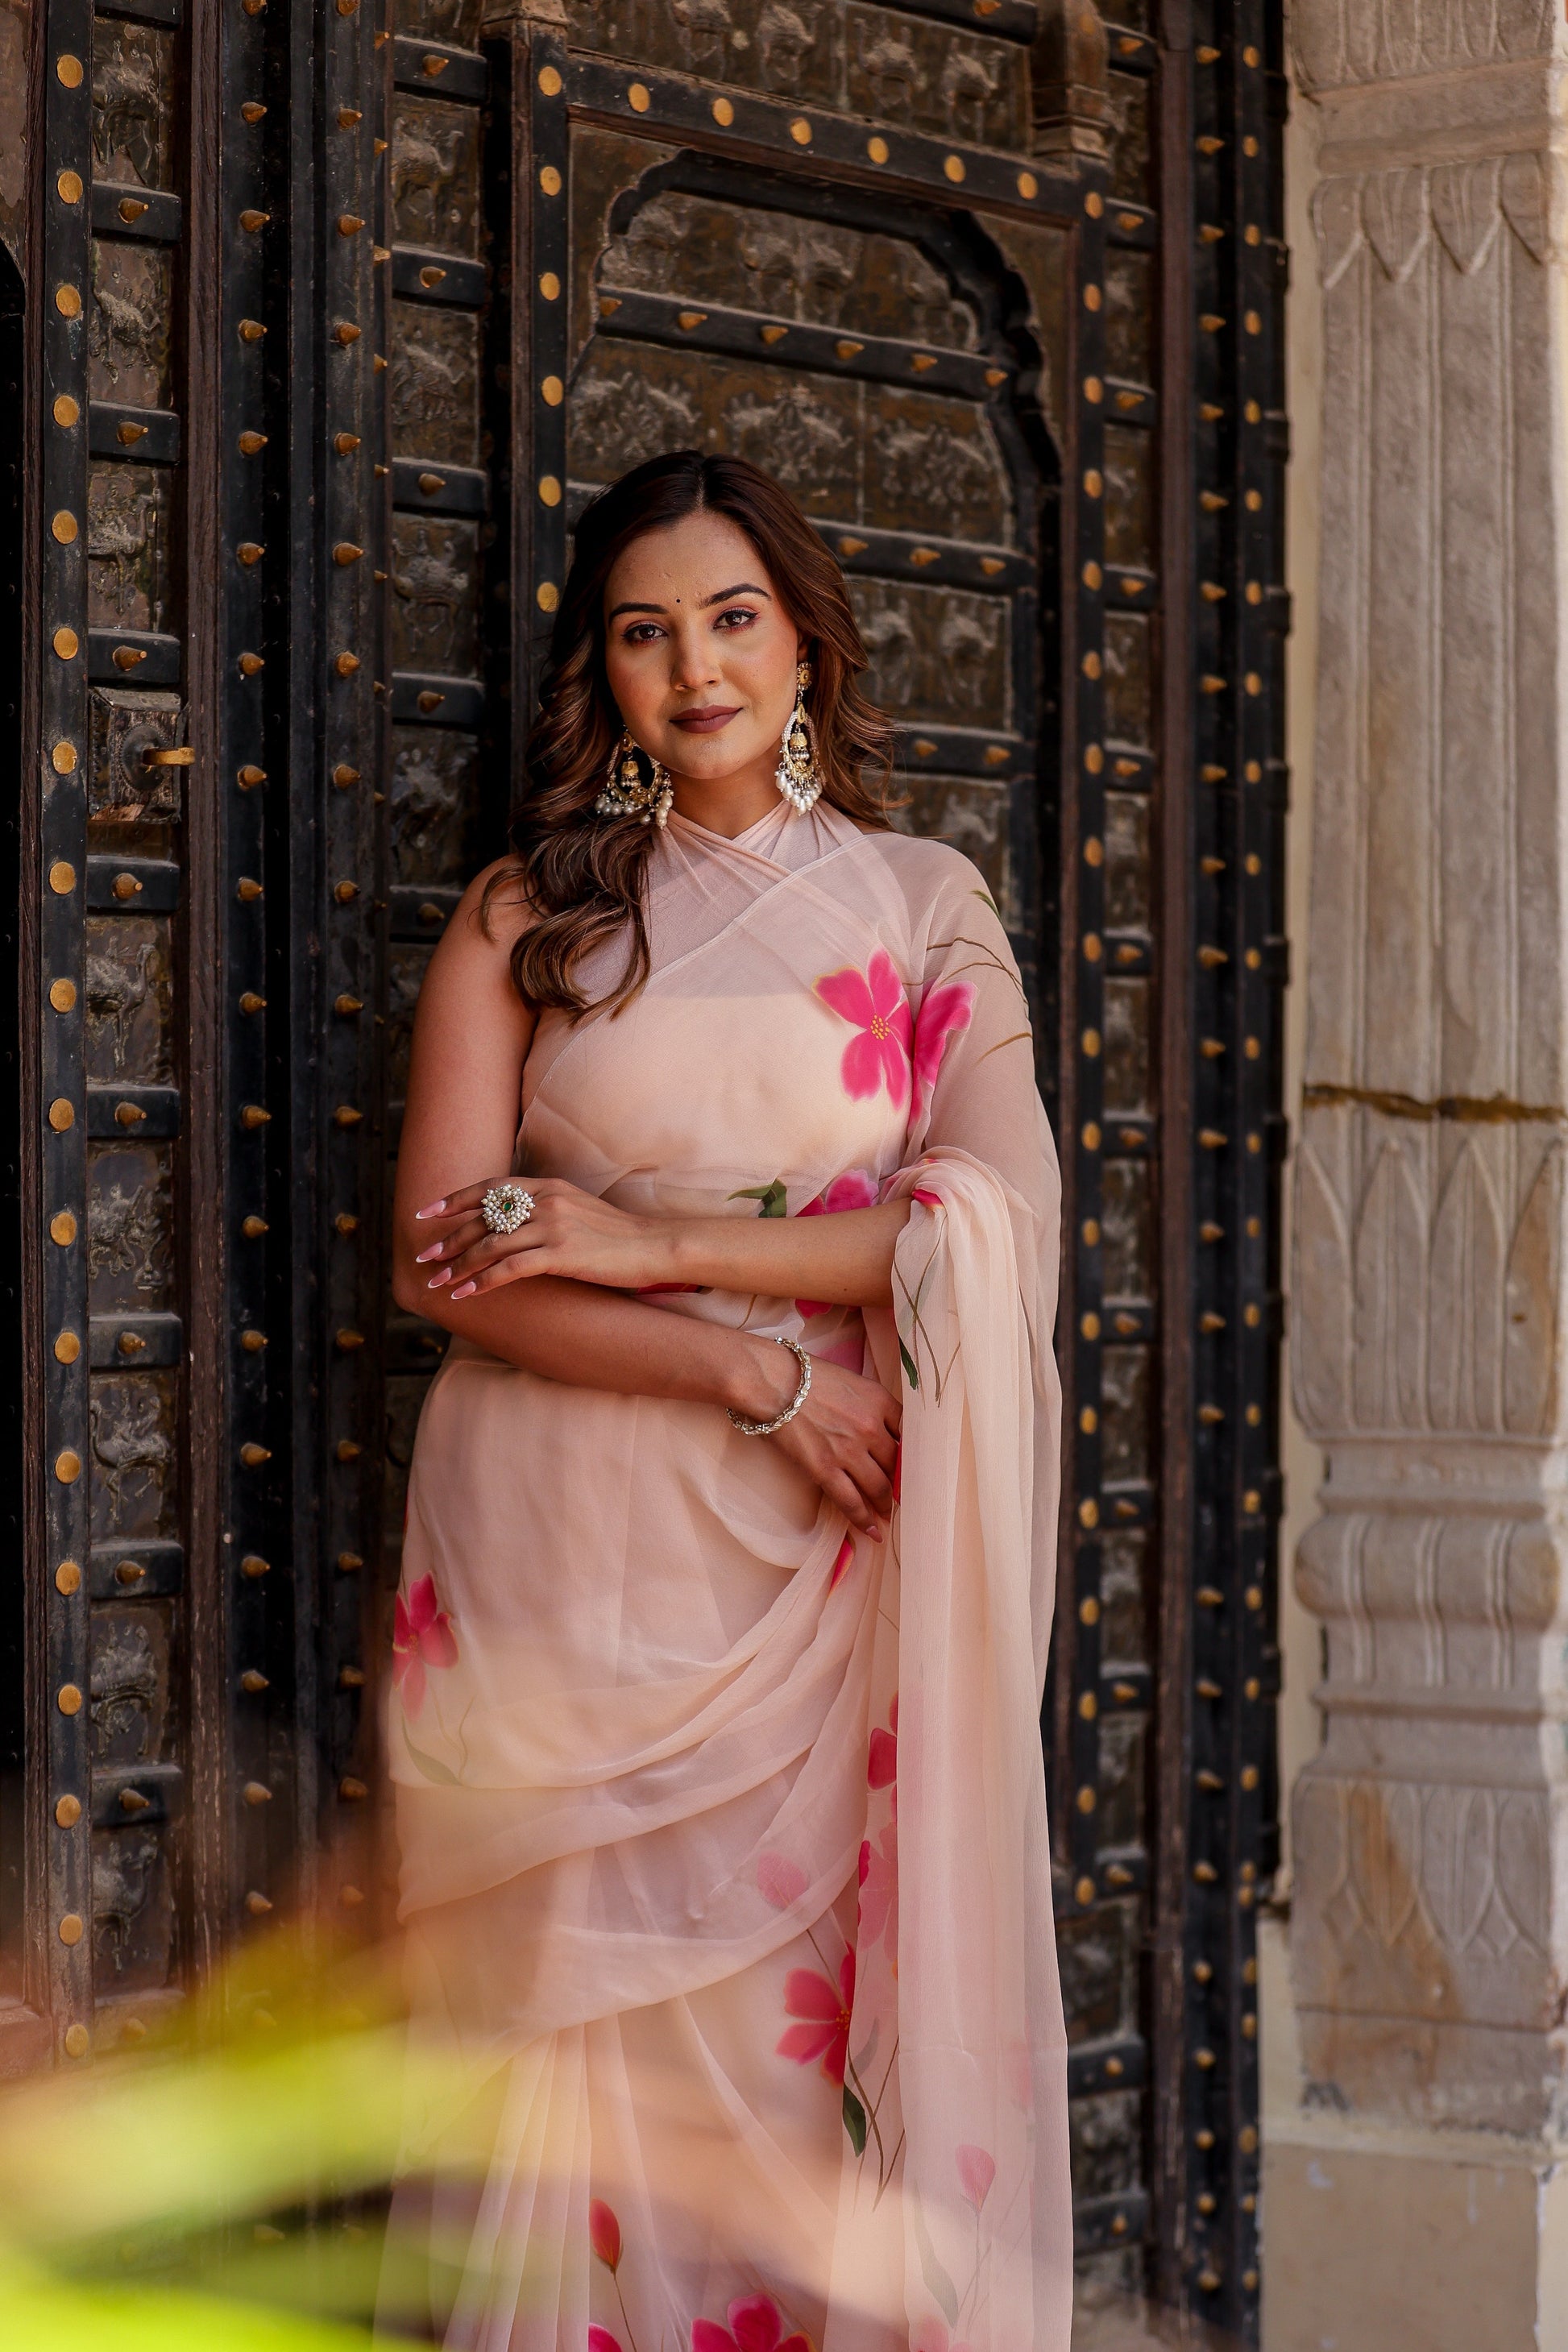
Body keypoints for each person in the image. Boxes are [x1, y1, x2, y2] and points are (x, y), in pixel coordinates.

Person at [379, 450, 1071, 2352]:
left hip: (808, 1562)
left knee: (785, 2063)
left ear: (806, 643)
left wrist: (623, 1240)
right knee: (573, 2062)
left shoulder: (926, 907)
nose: (695, 667)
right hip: (566, 1552)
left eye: (732, 617)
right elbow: (442, 1263)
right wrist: (743, 1361)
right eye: (644, 631)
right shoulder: (530, 917)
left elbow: (996, 1224)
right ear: (598, 674)